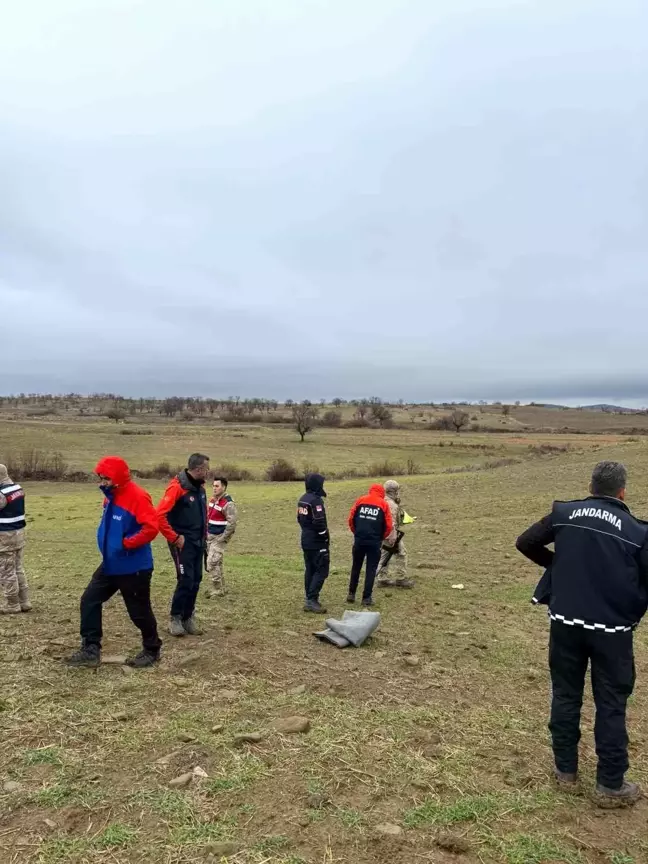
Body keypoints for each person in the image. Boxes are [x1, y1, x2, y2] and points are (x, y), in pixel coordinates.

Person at [516, 460, 648, 806]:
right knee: (611, 703)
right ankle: (611, 784)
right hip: (613, 630)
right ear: (622, 491)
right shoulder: (638, 532)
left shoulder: (565, 513)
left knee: (565, 694)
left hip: (565, 622)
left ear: (591, 487)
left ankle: (566, 772)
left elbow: (525, 542)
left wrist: (556, 566)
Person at [65, 456, 162, 668]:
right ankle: (91, 648)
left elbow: (151, 528)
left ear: (118, 477)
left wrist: (126, 544)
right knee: (89, 600)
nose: (102, 481)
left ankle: (152, 649)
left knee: (139, 612)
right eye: (100, 477)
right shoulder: (109, 496)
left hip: (133, 567)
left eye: (106, 478)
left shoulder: (138, 496)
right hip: (110, 563)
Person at [157, 453, 209, 637]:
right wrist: (174, 537)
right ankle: (175, 618)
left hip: (198, 542)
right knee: (185, 579)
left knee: (196, 580)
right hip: (182, 543)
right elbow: (159, 516)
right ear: (198, 469)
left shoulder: (200, 489)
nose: (208, 472)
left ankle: (188, 617)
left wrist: (205, 537)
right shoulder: (177, 488)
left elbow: (203, 515)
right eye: (206, 468)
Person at [347, 484, 395, 606]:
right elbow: (389, 525)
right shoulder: (383, 504)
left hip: (359, 540)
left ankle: (351, 594)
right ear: (382, 493)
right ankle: (366, 598)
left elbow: (351, 518)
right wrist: (381, 537)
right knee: (371, 569)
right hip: (374, 541)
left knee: (356, 567)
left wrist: (356, 532)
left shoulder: (360, 500)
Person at [0, 463, 31, 614]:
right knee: (18, 568)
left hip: (4, 536)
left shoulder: (2, 494)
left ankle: (12, 604)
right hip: (18, 533)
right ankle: (24, 601)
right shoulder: (17, 488)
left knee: (6, 570)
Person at [297, 473, 330, 613]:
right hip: (317, 541)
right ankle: (311, 599)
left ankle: (309, 598)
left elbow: (299, 518)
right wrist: (324, 536)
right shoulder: (316, 501)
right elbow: (319, 522)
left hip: (305, 538)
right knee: (321, 569)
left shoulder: (303, 499)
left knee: (310, 568)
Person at [376, 479, 413, 588]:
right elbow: (391, 522)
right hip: (390, 534)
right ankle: (400, 579)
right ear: (394, 491)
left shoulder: (382, 500)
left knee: (384, 556)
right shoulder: (391, 504)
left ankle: (382, 579)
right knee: (401, 554)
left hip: (383, 533)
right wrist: (392, 536)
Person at [206, 476, 237, 597]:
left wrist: (223, 538)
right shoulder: (212, 500)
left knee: (212, 562)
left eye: (217, 486)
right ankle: (221, 588)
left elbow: (232, 523)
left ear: (223, 487)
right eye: (213, 486)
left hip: (219, 537)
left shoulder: (228, 503)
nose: (214, 488)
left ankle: (217, 589)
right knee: (217, 562)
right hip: (210, 536)